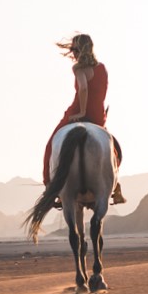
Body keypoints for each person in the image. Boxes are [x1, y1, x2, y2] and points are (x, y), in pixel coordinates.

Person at [42, 33, 125, 204]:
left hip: (79, 111)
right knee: (113, 149)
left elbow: (84, 89)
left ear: (79, 50)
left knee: (51, 145)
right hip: (98, 115)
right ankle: (116, 186)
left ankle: (50, 189)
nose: (72, 53)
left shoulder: (78, 68)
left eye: (73, 49)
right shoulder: (102, 68)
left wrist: (81, 112)